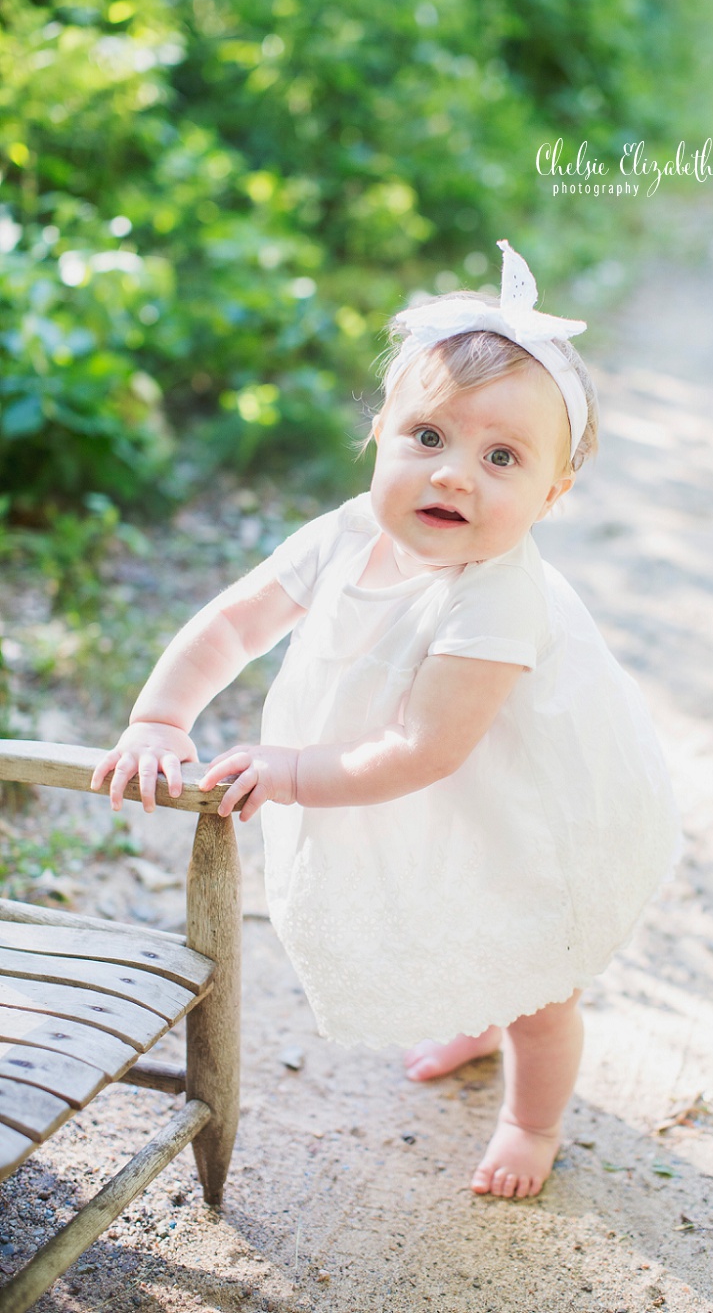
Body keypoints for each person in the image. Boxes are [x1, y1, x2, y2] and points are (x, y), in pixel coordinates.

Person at [92, 240, 680, 1201]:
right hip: (412, 784)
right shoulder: (348, 532)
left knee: (538, 971)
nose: (453, 476)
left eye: (502, 458)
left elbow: (426, 749)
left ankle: (534, 1120)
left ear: (552, 495)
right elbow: (237, 620)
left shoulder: (493, 594)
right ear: (380, 434)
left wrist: (285, 770)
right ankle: (476, 1009)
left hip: (515, 798)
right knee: (446, 901)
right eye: (429, 438)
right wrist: (160, 716)